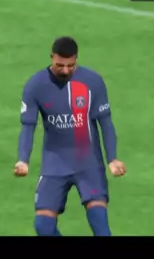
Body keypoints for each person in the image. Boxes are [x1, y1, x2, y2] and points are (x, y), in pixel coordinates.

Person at [14, 36, 126, 236]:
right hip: (55, 162)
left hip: (88, 162)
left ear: (77, 59)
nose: (65, 70)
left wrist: (113, 158)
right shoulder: (36, 85)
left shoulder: (93, 81)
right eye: (60, 65)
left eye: (70, 66)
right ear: (52, 57)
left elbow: (105, 122)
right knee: (43, 226)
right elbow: (28, 126)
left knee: (100, 223)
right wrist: (23, 160)